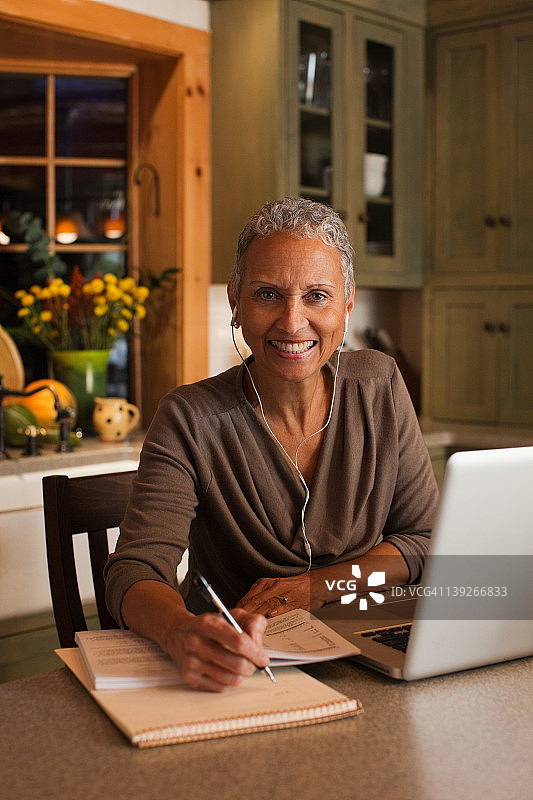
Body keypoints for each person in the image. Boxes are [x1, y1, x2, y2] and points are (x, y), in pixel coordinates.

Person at [104, 197, 439, 692]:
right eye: (267, 295)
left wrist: (316, 588)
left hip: (364, 657)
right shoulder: (189, 418)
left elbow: (424, 540)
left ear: (347, 304)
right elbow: (133, 570)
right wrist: (180, 633)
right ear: (235, 301)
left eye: (317, 296)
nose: (292, 321)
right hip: (237, 670)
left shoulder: (380, 384)